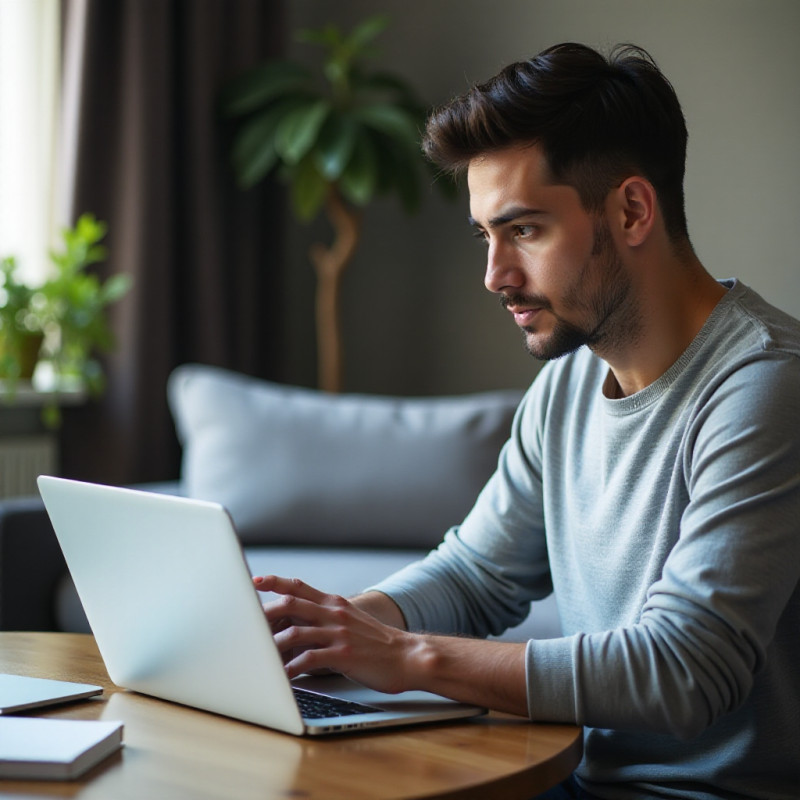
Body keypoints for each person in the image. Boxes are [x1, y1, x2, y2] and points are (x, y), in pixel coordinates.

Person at [254, 43, 800, 799]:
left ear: (632, 211)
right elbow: (477, 575)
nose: (494, 276)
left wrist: (409, 657)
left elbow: (685, 672)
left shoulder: (766, 386)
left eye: (524, 231)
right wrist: (330, 628)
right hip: (577, 781)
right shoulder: (569, 382)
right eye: (486, 236)